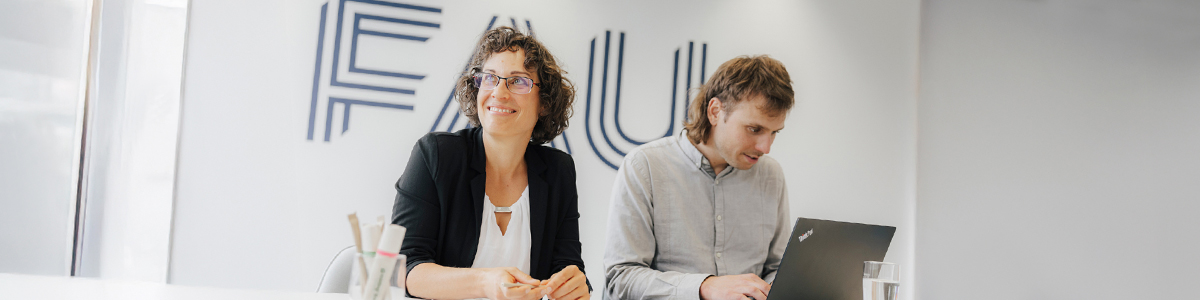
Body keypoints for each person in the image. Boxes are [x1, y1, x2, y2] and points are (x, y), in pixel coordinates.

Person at [393, 27, 590, 300]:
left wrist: (574, 285)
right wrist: (486, 283)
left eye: (518, 81)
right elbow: (405, 268)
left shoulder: (559, 171)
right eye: (489, 78)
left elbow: (567, 267)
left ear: (544, 103)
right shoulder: (436, 154)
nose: (499, 92)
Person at [603, 55, 796, 300]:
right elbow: (621, 278)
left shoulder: (771, 175)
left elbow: (777, 269)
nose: (765, 147)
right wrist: (704, 287)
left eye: (774, 132)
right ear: (715, 112)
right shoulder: (645, 167)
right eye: (754, 129)